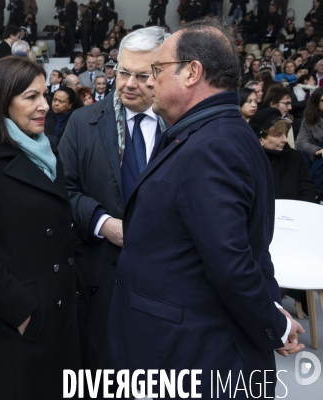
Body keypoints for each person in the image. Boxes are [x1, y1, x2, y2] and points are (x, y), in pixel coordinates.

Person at [108, 18, 304, 397]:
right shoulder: (207, 134)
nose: (150, 81)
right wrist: (272, 310)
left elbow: (230, 259)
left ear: (192, 73)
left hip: (191, 356)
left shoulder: (213, 145)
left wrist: (271, 324)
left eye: (158, 70)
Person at [0, 55, 90, 400]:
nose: (44, 105)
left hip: (59, 316)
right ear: (2, 100)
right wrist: (23, 311)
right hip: (10, 326)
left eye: (46, 94)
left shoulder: (49, 151)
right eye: (31, 97)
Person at [59, 26, 168, 380]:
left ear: (162, 73)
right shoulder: (82, 122)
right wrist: (103, 223)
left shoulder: (182, 127)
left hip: (166, 281)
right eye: (122, 72)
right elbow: (64, 190)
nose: (128, 84)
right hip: (99, 277)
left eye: (141, 75)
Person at [250, 107, 316, 202]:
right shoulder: (250, 161)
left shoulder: (295, 158)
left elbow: (307, 190)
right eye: (278, 135)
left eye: (285, 134)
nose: (284, 139)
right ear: (261, 139)